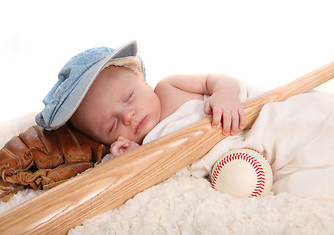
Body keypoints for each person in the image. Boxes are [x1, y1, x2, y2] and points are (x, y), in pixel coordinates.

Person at [36, 41, 245, 158]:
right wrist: (134, 155)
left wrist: (224, 93)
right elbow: (157, 164)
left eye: (128, 98)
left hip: (253, 119)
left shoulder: (169, 87)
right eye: (112, 125)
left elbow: (213, 79)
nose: (128, 116)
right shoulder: (145, 145)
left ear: (141, 80)